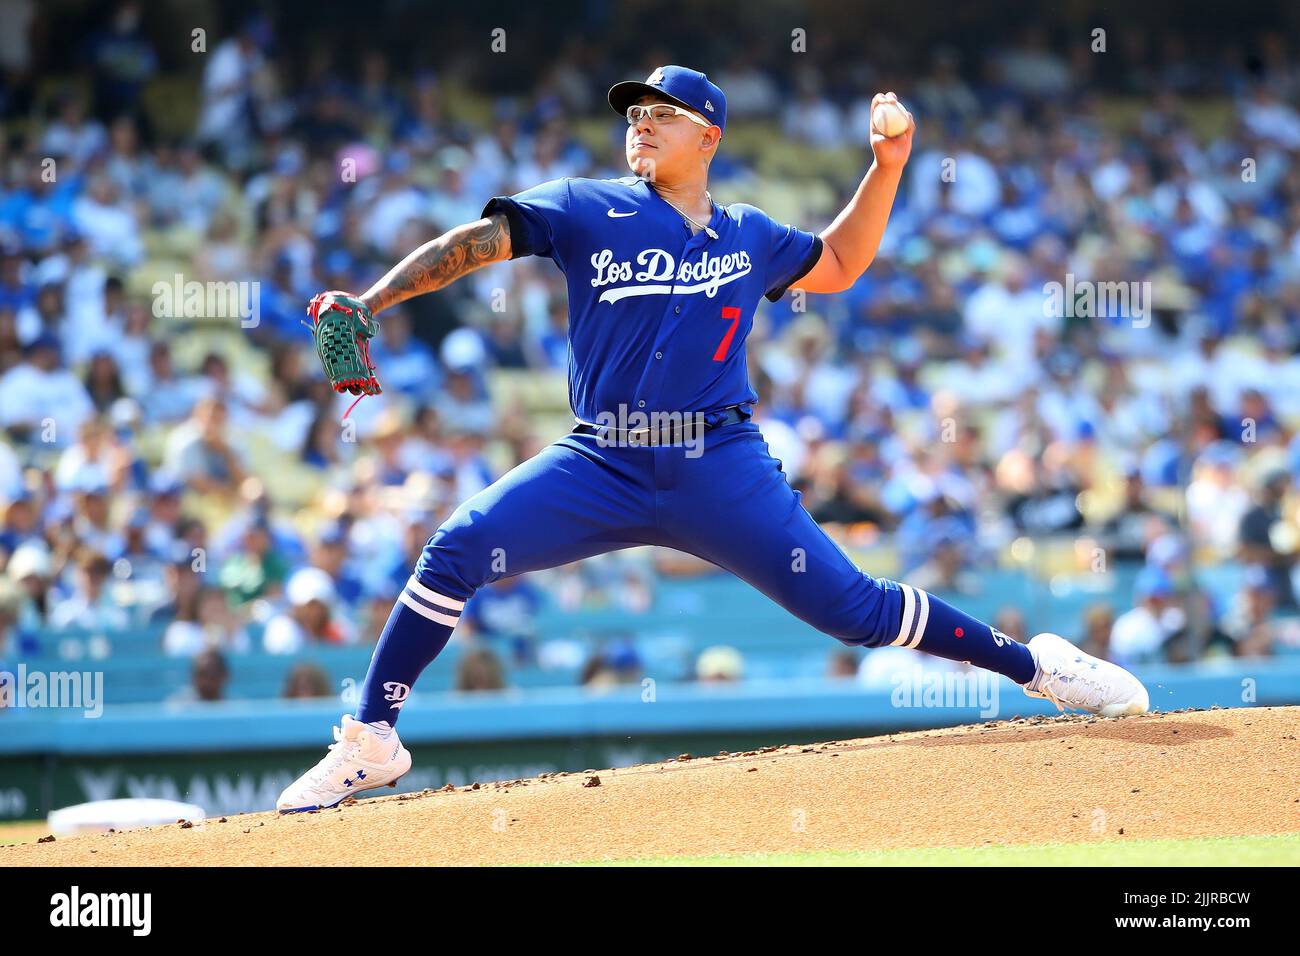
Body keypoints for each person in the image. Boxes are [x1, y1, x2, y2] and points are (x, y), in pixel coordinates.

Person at [278, 65, 1148, 813]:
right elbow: (479, 243)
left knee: (855, 610)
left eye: (660, 115)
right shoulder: (587, 208)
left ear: (709, 137)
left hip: (718, 462)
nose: (640, 126)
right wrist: (372, 302)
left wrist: (887, 169)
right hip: (605, 456)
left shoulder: (750, 234)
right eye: (632, 115)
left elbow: (840, 265)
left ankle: (1036, 666)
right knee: (457, 546)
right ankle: (371, 739)